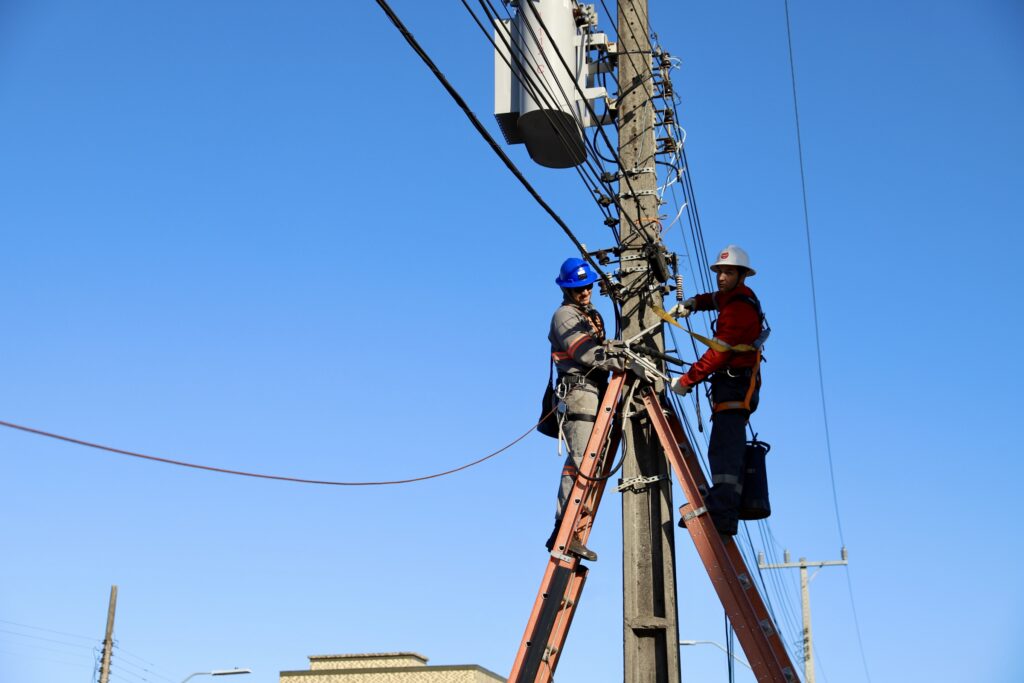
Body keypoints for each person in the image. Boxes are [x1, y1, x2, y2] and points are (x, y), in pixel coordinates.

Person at [670, 245, 767, 536]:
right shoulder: (734, 297)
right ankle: (723, 507)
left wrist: (687, 380)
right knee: (723, 447)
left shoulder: (738, 309)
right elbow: (714, 299)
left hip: (736, 385)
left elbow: (718, 353)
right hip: (733, 384)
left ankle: (723, 514)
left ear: (742, 275)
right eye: (720, 272)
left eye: (729, 272)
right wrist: (693, 303)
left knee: (725, 450)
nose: (722, 277)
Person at [545, 257, 622, 561]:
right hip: (578, 392)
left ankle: (572, 526)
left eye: (588, 286)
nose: (586, 292)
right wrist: (619, 360)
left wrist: (619, 350)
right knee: (582, 460)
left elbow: (600, 346)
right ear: (567, 289)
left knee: (594, 460)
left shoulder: (591, 315)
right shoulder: (564, 315)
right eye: (579, 288)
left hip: (596, 391)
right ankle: (565, 529)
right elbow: (585, 352)